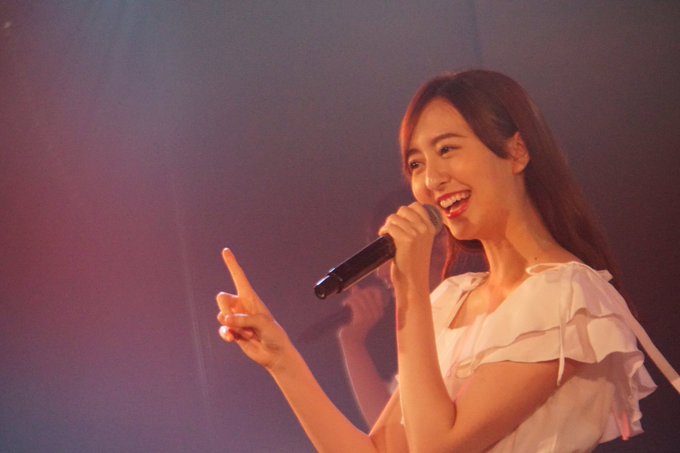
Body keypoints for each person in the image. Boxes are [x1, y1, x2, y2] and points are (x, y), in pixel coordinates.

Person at [216, 69, 658, 452]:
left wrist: (409, 282)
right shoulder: (451, 299)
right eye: (415, 164)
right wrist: (282, 360)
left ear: (517, 151)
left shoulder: (566, 297)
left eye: (447, 150)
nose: (430, 180)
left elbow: (437, 447)